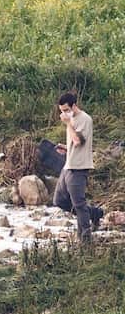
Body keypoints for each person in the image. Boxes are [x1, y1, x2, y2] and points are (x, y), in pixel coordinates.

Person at [53, 92, 104, 244]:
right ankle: (94, 213)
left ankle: (85, 242)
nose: (64, 113)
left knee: (79, 205)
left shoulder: (85, 119)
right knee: (59, 200)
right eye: (61, 110)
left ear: (74, 105)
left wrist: (68, 123)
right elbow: (74, 144)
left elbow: (78, 141)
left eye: (66, 109)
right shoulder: (72, 118)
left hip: (78, 168)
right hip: (68, 165)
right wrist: (65, 148)